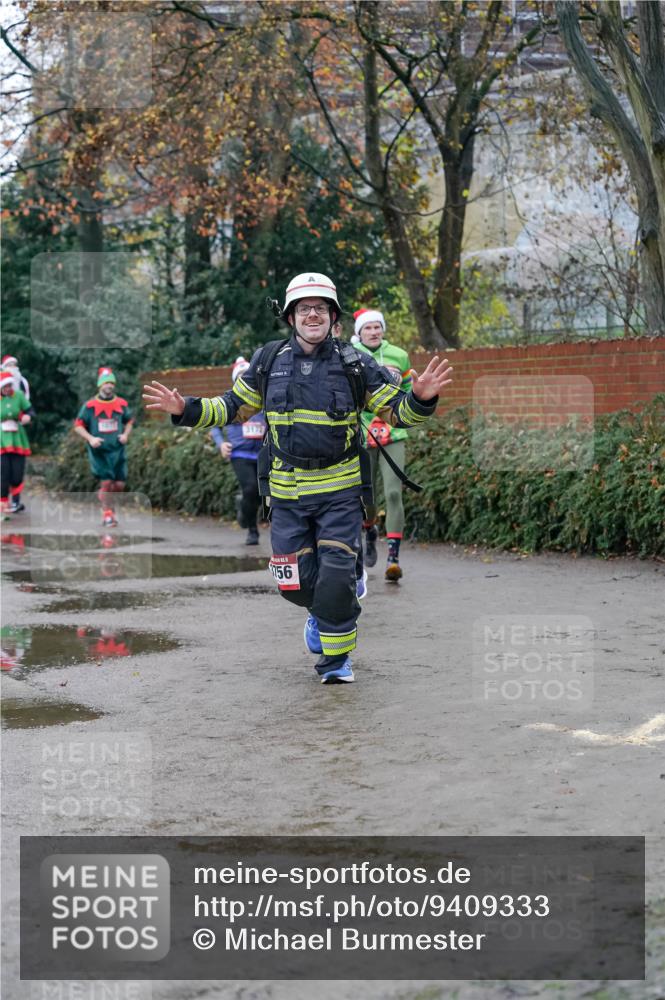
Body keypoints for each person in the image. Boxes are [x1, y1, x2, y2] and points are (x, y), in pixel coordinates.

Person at [143, 272, 453, 684]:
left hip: (340, 493)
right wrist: (187, 408)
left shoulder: (355, 363)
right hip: (286, 495)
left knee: (337, 576)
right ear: (291, 317)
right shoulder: (269, 361)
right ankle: (322, 612)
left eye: (320, 308)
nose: (312, 314)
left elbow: (396, 412)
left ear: (332, 316)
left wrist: (421, 398)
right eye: (304, 308)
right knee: (292, 583)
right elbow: (234, 406)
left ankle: (335, 662)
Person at [352, 308, 413, 582]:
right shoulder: (351, 356)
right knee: (367, 496)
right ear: (359, 332)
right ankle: (369, 529)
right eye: (368, 328)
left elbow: (409, 392)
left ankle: (393, 557)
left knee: (393, 494)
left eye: (378, 327)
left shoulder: (399, 356)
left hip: (393, 431)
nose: (374, 332)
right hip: (362, 431)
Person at [210, 356, 266, 546]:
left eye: (246, 375)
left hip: (263, 454)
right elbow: (214, 425)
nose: (244, 379)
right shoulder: (230, 401)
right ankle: (252, 530)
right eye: (240, 376)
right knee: (250, 488)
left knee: (259, 494)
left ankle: (244, 510)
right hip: (240, 454)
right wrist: (221, 444)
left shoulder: (264, 399)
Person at [73, 367, 134, 527]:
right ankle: (108, 514)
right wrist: (91, 438)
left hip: (117, 449)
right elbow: (78, 426)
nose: (109, 386)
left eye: (111, 383)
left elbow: (129, 421)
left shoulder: (121, 403)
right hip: (99, 450)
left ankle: (106, 501)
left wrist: (126, 434)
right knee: (107, 483)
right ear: (100, 385)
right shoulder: (90, 406)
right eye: (106, 383)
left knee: (119, 485)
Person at [1, 370, 34, 516]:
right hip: (1, 439)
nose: (8, 389)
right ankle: (3, 501)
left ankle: (16, 501)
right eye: (5, 386)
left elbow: (30, 410)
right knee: (3, 472)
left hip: (18, 438)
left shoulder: (19, 396)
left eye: (10, 386)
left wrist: (27, 416)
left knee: (17, 473)